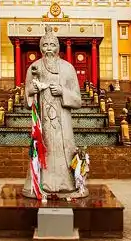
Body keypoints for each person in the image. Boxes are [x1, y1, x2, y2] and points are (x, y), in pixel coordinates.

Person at [22, 26, 87, 200]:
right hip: (42, 122)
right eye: (45, 45)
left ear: (58, 47)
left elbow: (78, 100)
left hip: (63, 123)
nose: (49, 48)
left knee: (64, 152)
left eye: (52, 45)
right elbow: (26, 101)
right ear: (40, 48)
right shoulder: (34, 68)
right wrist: (31, 91)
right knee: (43, 150)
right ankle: (39, 184)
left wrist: (62, 91)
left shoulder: (68, 68)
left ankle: (68, 184)